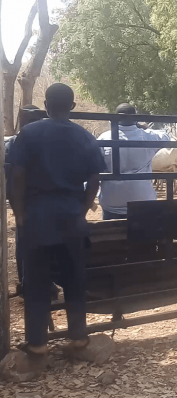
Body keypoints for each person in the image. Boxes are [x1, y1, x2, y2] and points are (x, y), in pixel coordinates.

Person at [10, 83, 107, 357]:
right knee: (75, 277)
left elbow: (17, 175)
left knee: (37, 280)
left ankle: (38, 343)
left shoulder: (29, 133)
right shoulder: (84, 136)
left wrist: (19, 214)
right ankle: (78, 338)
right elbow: (95, 179)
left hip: (37, 216)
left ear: (46, 104)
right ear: (73, 106)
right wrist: (83, 209)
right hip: (71, 215)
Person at [98, 103, 170, 220]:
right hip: (143, 201)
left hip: (111, 204)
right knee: (144, 237)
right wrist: (144, 127)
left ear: (116, 118)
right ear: (135, 119)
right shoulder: (148, 136)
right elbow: (166, 136)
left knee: (112, 235)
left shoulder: (104, 137)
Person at [5, 105, 44, 294]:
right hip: (38, 200)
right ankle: (35, 282)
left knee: (25, 242)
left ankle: (28, 283)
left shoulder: (14, 142)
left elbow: (11, 178)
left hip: (27, 201)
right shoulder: (48, 141)